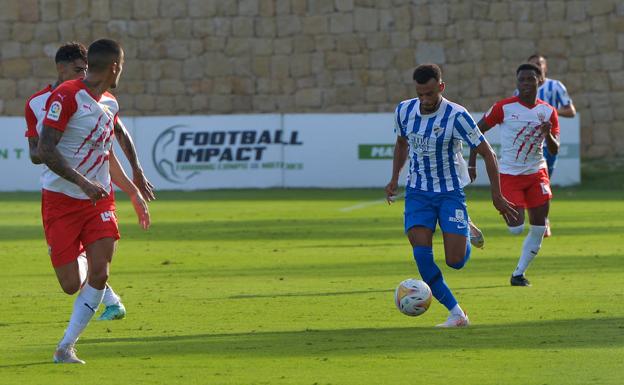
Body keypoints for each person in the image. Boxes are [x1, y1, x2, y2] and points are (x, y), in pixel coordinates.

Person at [24, 42, 154, 322]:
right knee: (70, 284)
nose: (85, 74)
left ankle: (106, 307)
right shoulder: (38, 102)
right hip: (59, 194)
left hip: (94, 197)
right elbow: (37, 152)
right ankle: (107, 298)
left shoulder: (97, 99)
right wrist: (57, 149)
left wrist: (133, 182)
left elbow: (110, 142)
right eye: (78, 69)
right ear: (61, 68)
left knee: (100, 264)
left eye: (87, 68)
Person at [386, 64, 517, 327]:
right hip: (418, 192)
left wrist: (497, 195)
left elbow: (488, 153)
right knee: (422, 256)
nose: (424, 100)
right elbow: (402, 143)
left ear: (441, 88)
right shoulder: (404, 110)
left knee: (455, 262)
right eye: (420, 94)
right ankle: (457, 313)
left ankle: (466, 229)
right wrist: (394, 179)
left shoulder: (457, 116)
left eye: (430, 94)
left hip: (449, 194)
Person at [470, 63, 559, 287]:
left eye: (531, 79)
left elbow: (555, 149)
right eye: (522, 80)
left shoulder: (548, 111)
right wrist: (472, 162)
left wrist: (548, 135)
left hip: (537, 173)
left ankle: (518, 274)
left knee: (538, 229)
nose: (526, 84)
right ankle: (468, 226)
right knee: (516, 228)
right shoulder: (504, 107)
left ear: (540, 81)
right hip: (509, 175)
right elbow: (476, 132)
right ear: (517, 83)